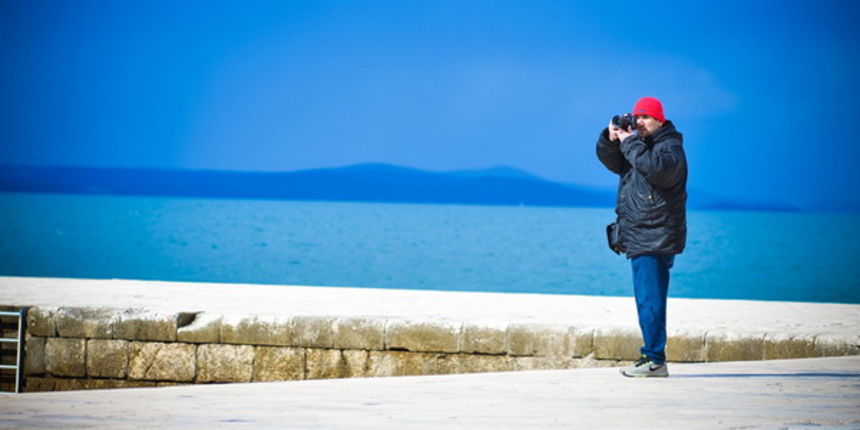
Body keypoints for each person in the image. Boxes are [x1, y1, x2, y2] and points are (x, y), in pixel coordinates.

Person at [595, 96, 687, 377]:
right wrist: (611, 139)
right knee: (648, 298)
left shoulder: (670, 147)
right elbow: (611, 160)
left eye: (646, 117)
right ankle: (653, 357)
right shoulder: (639, 147)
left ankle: (654, 360)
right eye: (637, 118)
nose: (639, 123)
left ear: (660, 119)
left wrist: (629, 141)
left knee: (650, 298)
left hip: (654, 234)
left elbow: (657, 169)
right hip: (641, 233)